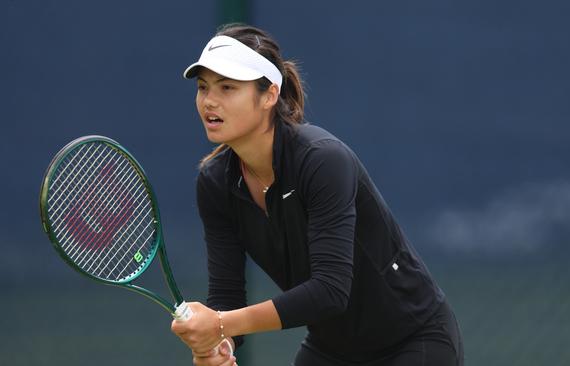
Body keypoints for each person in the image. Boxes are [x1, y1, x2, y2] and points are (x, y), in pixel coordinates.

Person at [171, 23, 464, 366]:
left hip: (413, 341)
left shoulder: (323, 160)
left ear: (269, 95)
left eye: (227, 87)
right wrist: (221, 344)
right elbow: (227, 296)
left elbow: (330, 291)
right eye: (203, 87)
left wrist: (221, 324)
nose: (210, 101)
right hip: (332, 349)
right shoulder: (215, 183)